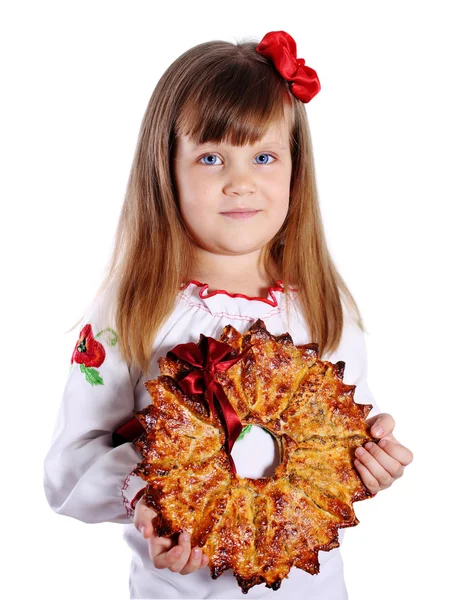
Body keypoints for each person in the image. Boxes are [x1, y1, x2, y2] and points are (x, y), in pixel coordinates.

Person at [43, 30, 413, 599]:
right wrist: (149, 497)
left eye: (263, 156)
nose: (240, 181)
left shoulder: (323, 304)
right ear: (166, 168)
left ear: (296, 169)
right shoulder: (133, 310)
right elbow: (67, 472)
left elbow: (326, 443)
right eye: (211, 156)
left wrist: (370, 460)